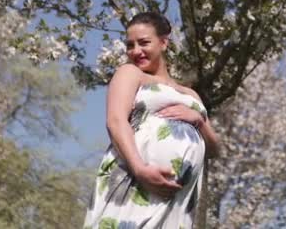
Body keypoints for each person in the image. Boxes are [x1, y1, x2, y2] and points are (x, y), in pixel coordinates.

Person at [83, 12, 220, 229]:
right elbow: (116, 121)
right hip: (135, 181)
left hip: (176, 199)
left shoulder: (190, 94)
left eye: (144, 42)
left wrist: (199, 122)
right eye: (130, 45)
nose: (136, 51)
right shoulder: (130, 73)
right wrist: (140, 170)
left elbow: (214, 150)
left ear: (164, 42)